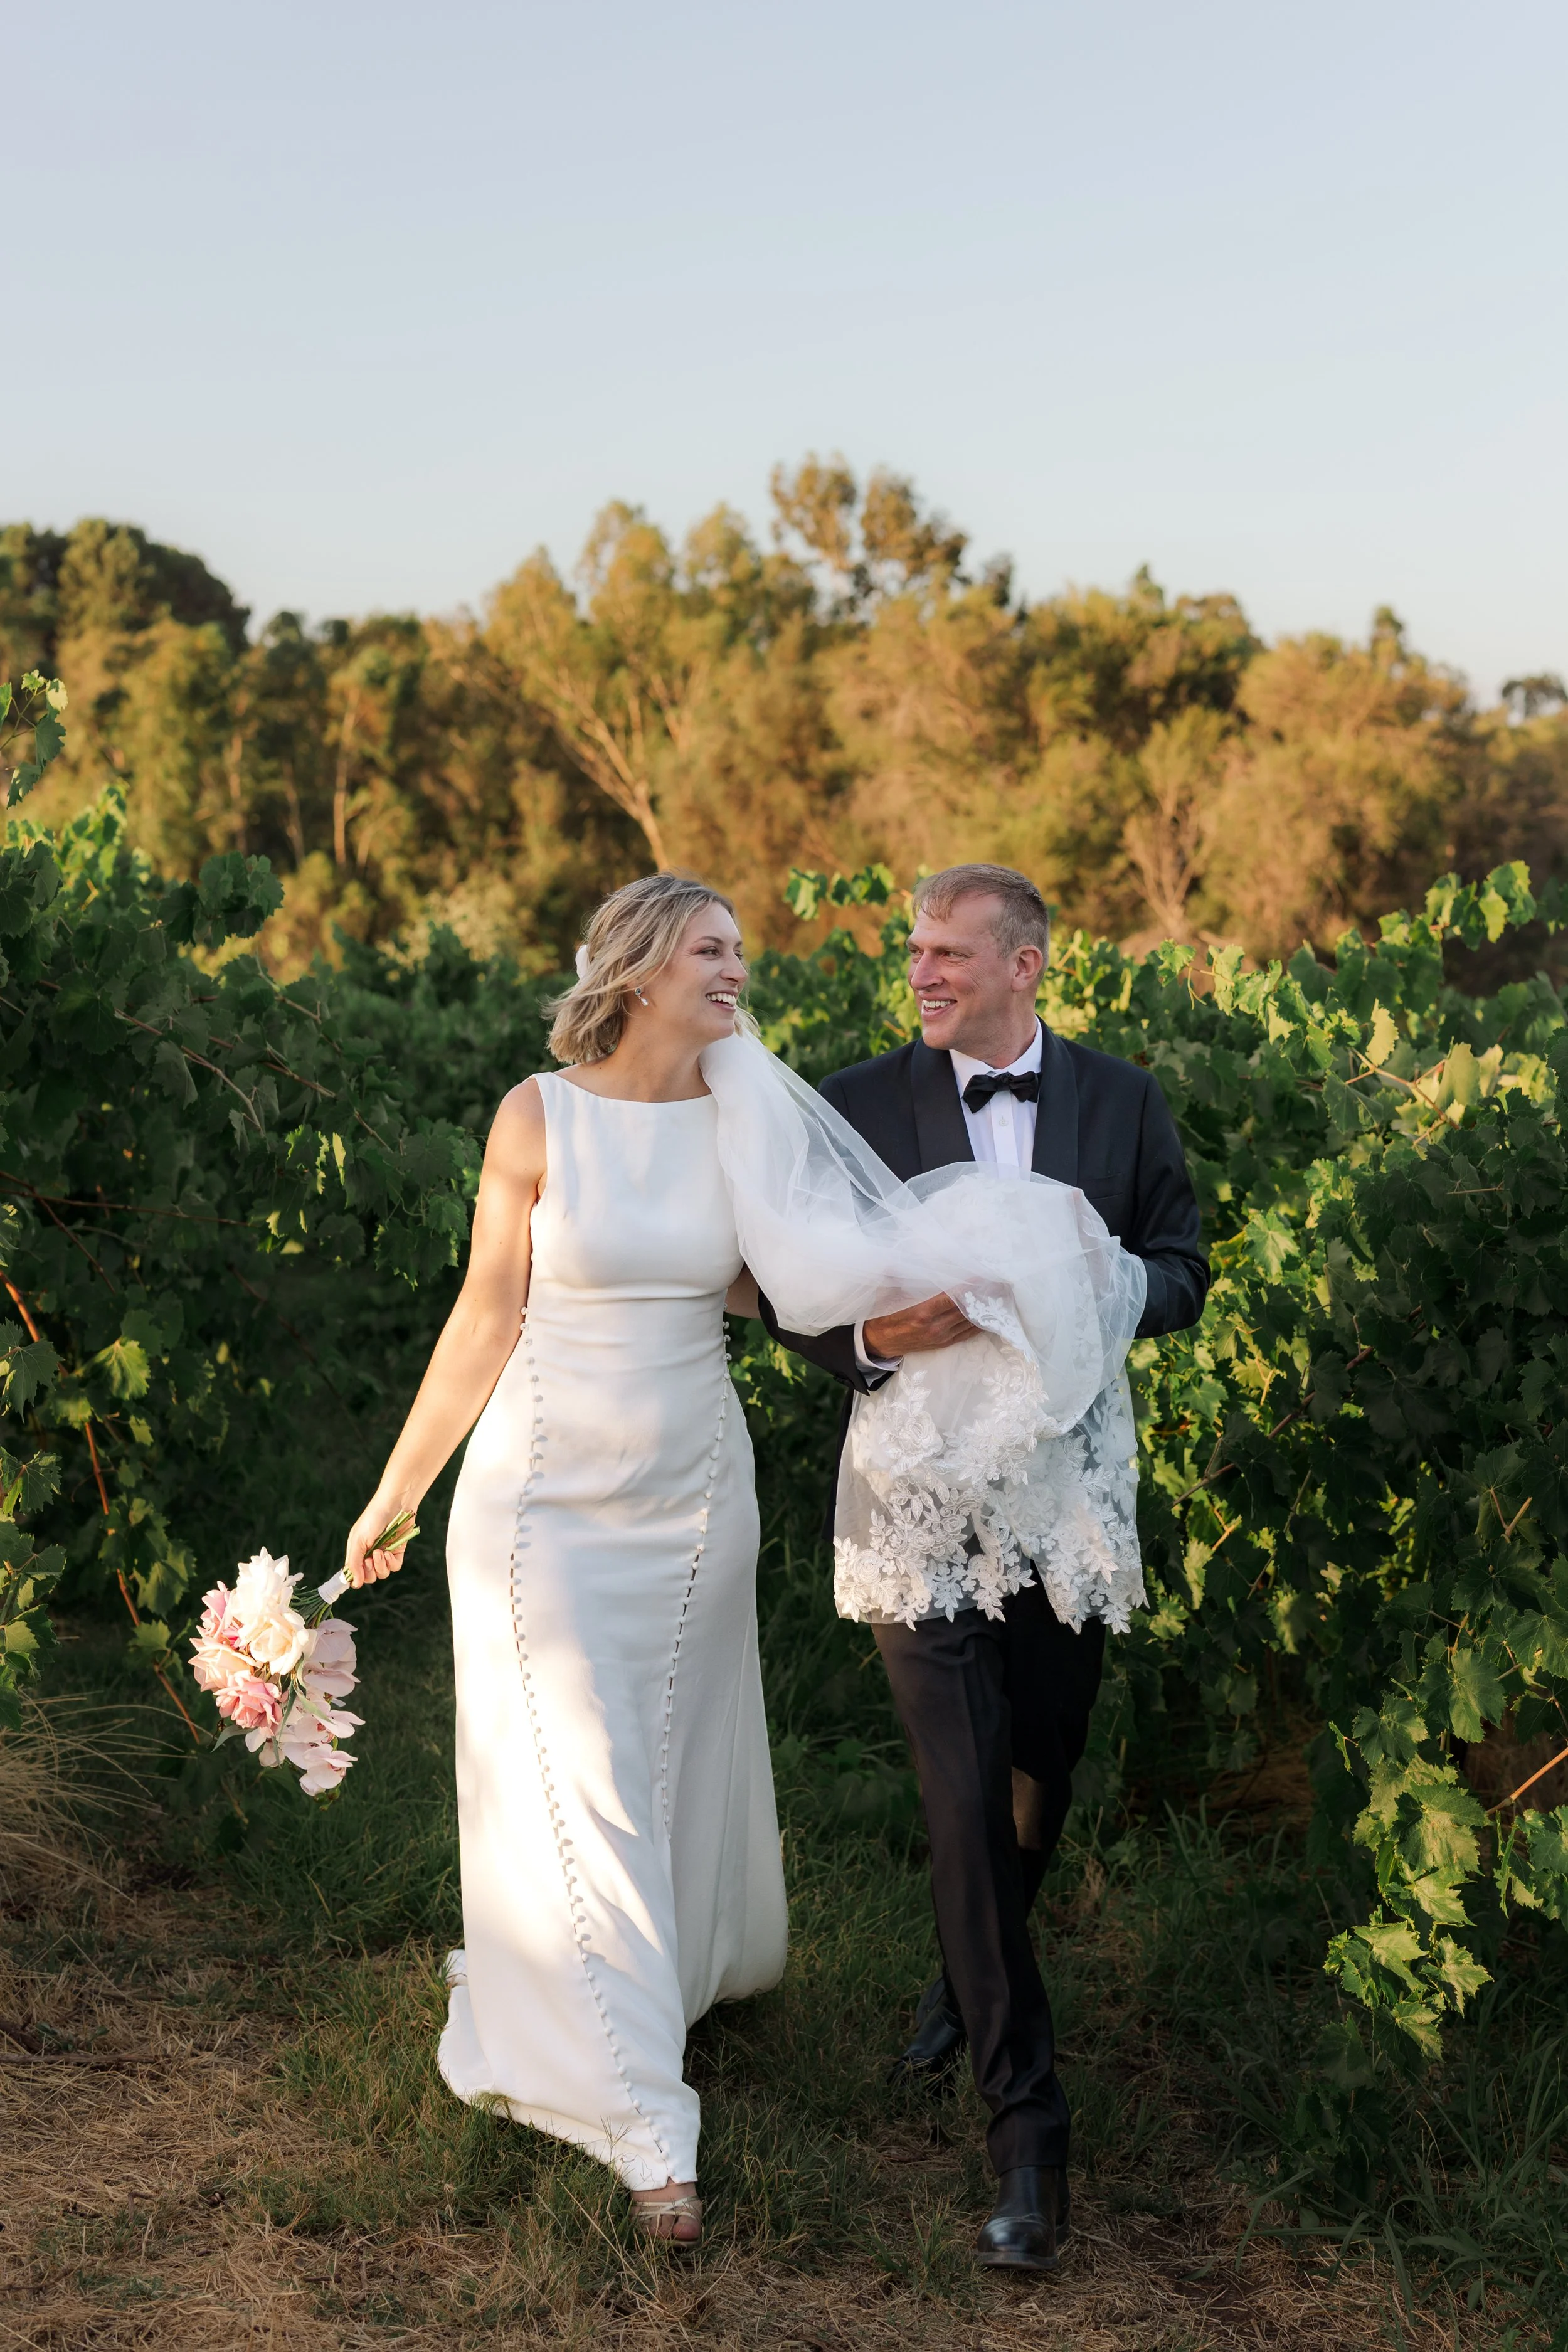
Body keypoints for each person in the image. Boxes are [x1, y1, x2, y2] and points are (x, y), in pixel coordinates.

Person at [761, 861, 1209, 2275]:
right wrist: (887, 1340)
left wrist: (1077, 1283)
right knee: (958, 1784)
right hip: (914, 1497)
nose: (921, 973)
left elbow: (1181, 1267)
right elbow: (791, 1295)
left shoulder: (1121, 1102)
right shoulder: (853, 1100)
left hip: (1063, 1487)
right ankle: (1027, 2135)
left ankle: (968, 1972)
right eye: (913, 952)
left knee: (1034, 1767)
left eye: (949, 952)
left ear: (1026, 963)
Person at [342, 874, 788, 2247]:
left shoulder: (746, 1112)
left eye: (733, 952)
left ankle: (653, 1983)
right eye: (710, 950)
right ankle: (646, 2128)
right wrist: (397, 1488)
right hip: (540, 1503)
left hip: (697, 1493)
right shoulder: (537, 1117)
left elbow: (778, 1290)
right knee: (578, 1770)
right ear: (644, 967)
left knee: (656, 1759)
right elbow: (487, 1311)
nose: (733, 970)